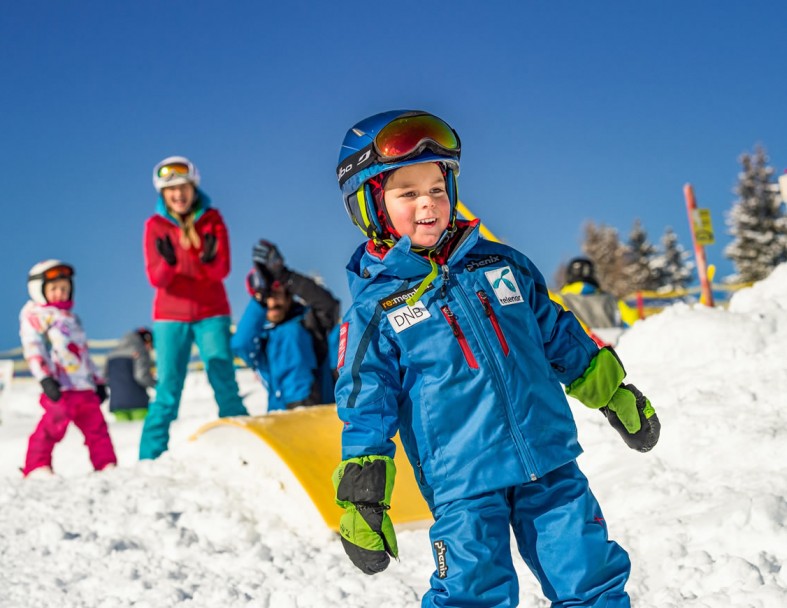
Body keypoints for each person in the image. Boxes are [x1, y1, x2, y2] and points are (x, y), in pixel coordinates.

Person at [330, 111, 661, 607]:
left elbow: (559, 336)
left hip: (548, 459)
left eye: (437, 188)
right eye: (407, 193)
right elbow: (364, 399)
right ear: (370, 206)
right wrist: (363, 490)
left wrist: (613, 393)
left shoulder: (501, 264)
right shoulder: (378, 307)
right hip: (462, 481)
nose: (428, 203)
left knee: (589, 576)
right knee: (472, 594)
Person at [140, 155, 247, 460]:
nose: (178, 195)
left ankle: (244, 447)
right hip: (170, 316)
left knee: (223, 378)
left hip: (211, 311)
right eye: (171, 190)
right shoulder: (155, 226)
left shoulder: (212, 219)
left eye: (183, 187)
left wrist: (201, 261)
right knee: (168, 390)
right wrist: (172, 264)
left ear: (193, 188)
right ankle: (149, 458)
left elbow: (221, 270)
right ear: (163, 194)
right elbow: (156, 278)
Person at [20, 260, 117, 476]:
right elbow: (34, 348)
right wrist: (45, 378)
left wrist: (98, 381)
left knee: (98, 429)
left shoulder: (72, 319)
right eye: (53, 288)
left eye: (64, 288)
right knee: (52, 427)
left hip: (83, 386)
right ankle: (37, 466)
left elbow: (83, 353)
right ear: (39, 290)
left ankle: (106, 465)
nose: (60, 293)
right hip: (60, 386)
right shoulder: (35, 315)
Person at [231, 239, 341, 411]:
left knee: (290, 333)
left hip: (319, 410)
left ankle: (302, 406)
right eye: (267, 297)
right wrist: (259, 300)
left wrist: (286, 276)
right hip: (281, 417)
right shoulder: (261, 341)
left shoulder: (310, 323)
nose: (272, 302)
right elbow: (240, 344)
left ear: (289, 296)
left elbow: (329, 306)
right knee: (285, 334)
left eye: (277, 294)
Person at [556, 256, 639, 347]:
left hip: (577, 352)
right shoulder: (612, 300)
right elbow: (635, 324)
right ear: (593, 274)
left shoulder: (558, 300)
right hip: (615, 352)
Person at [105, 328, 156, 421]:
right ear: (146, 340)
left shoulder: (111, 354)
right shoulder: (140, 351)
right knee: (140, 432)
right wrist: (156, 384)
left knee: (124, 434)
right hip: (138, 403)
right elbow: (141, 376)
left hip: (117, 403)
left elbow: (106, 378)